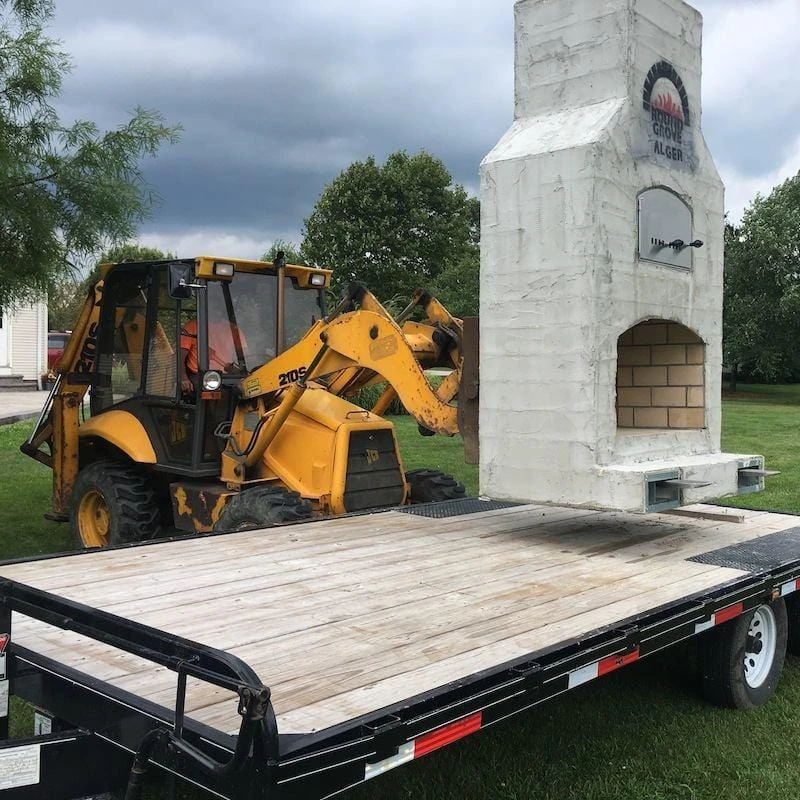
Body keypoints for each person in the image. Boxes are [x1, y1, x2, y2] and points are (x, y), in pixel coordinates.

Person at [179, 289, 247, 394]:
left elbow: (245, 355)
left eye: (218, 305)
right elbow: (180, 355)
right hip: (199, 376)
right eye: (213, 304)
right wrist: (183, 377)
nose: (216, 308)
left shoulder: (232, 329)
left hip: (227, 376)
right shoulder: (193, 326)